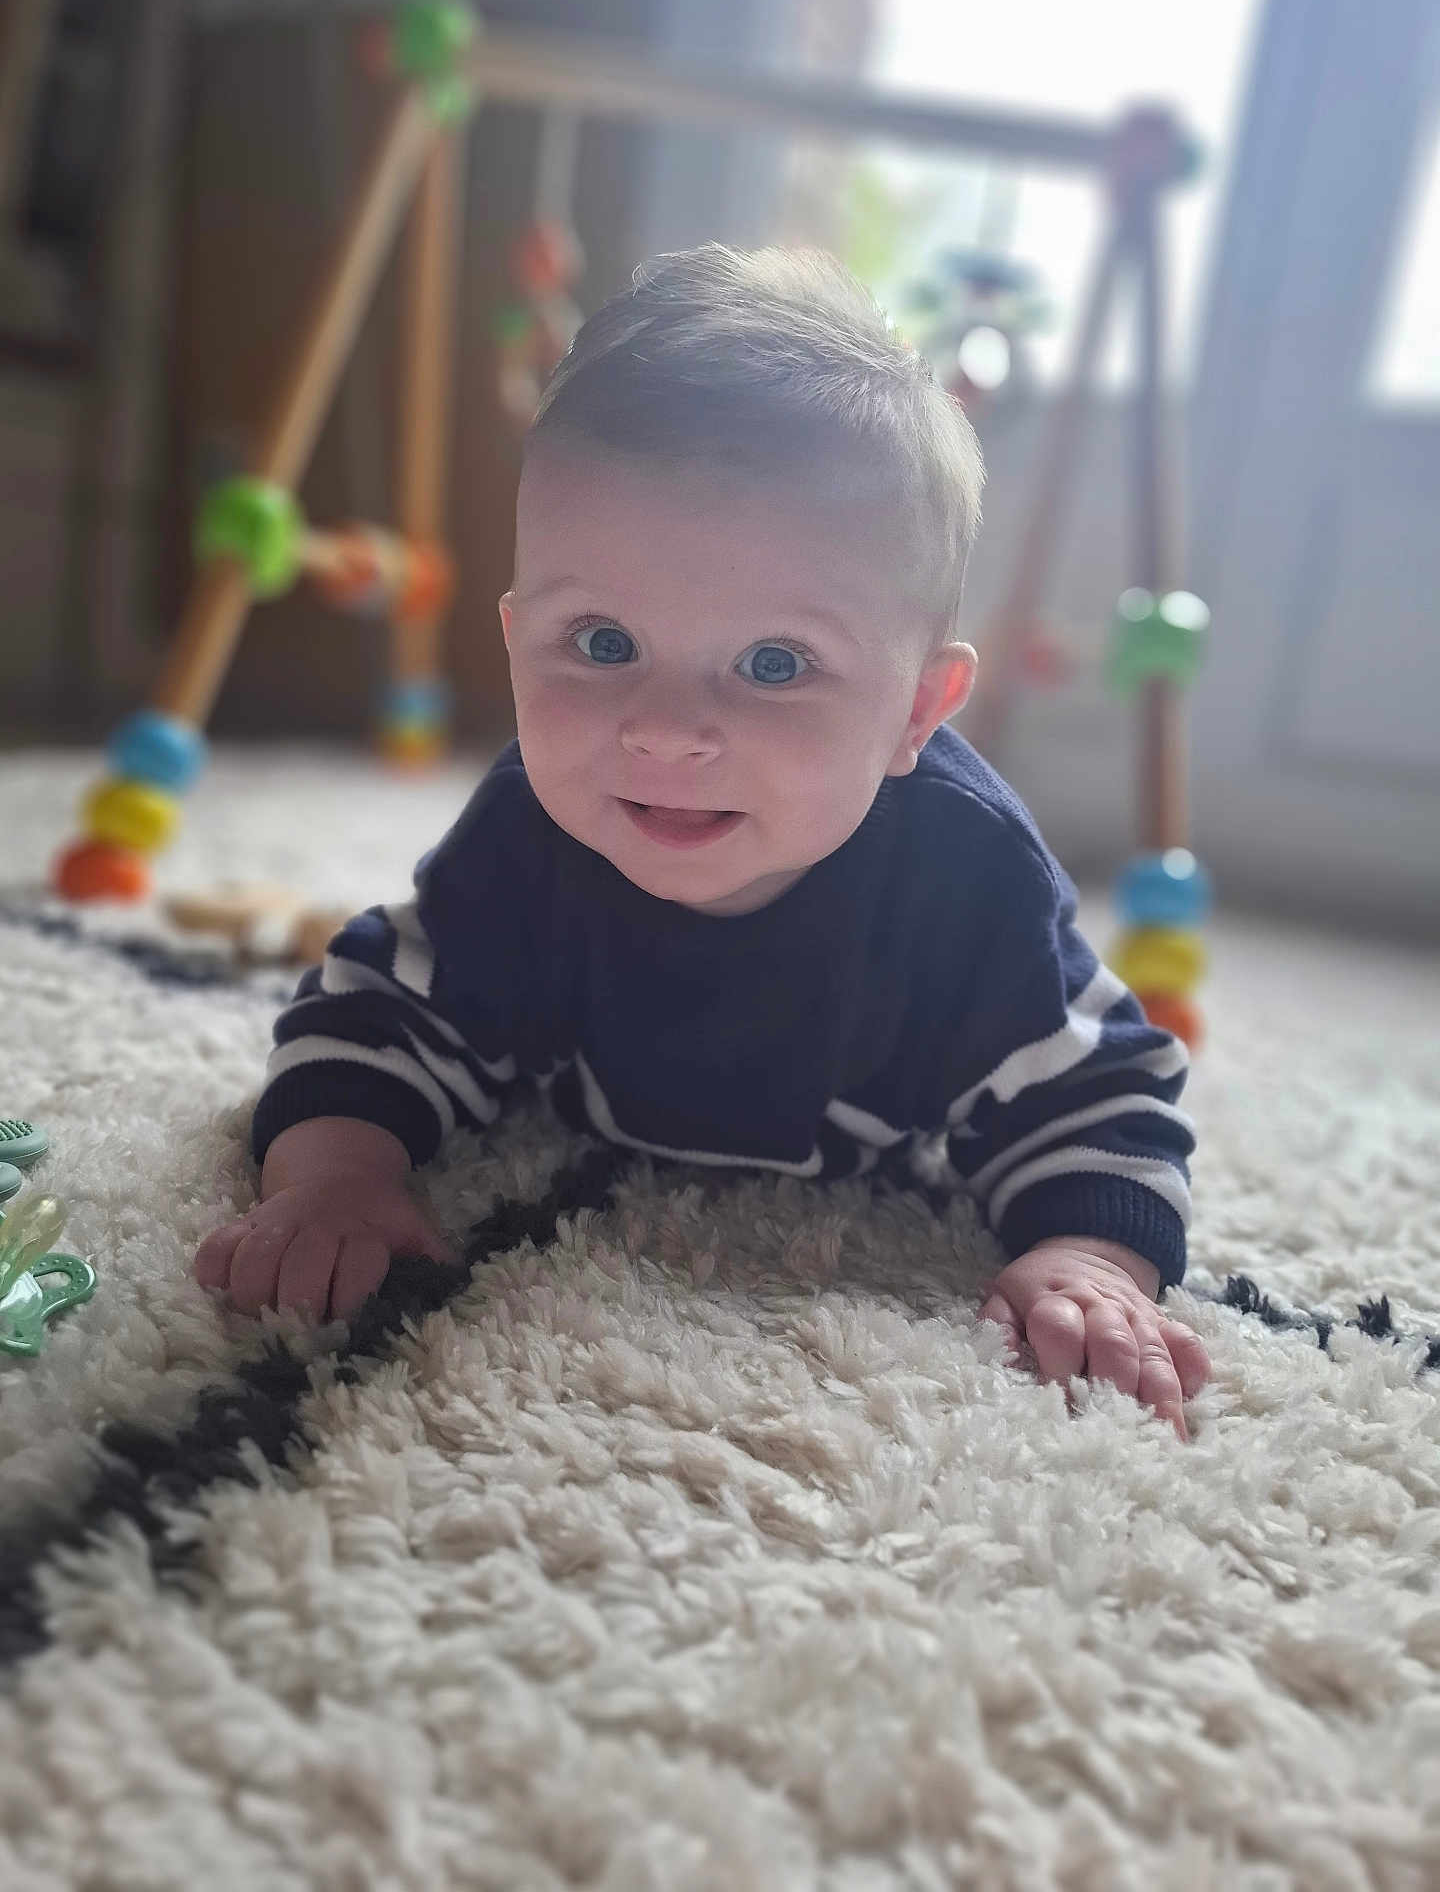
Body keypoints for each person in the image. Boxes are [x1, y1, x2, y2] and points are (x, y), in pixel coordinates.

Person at [194, 245, 1210, 1438]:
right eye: (604, 644)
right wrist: (333, 1176)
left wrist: (1091, 1260)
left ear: (917, 713)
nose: (667, 732)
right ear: (518, 645)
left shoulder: (964, 881)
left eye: (775, 664)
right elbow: (380, 1003)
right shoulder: (533, 829)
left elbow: (1099, 1088)